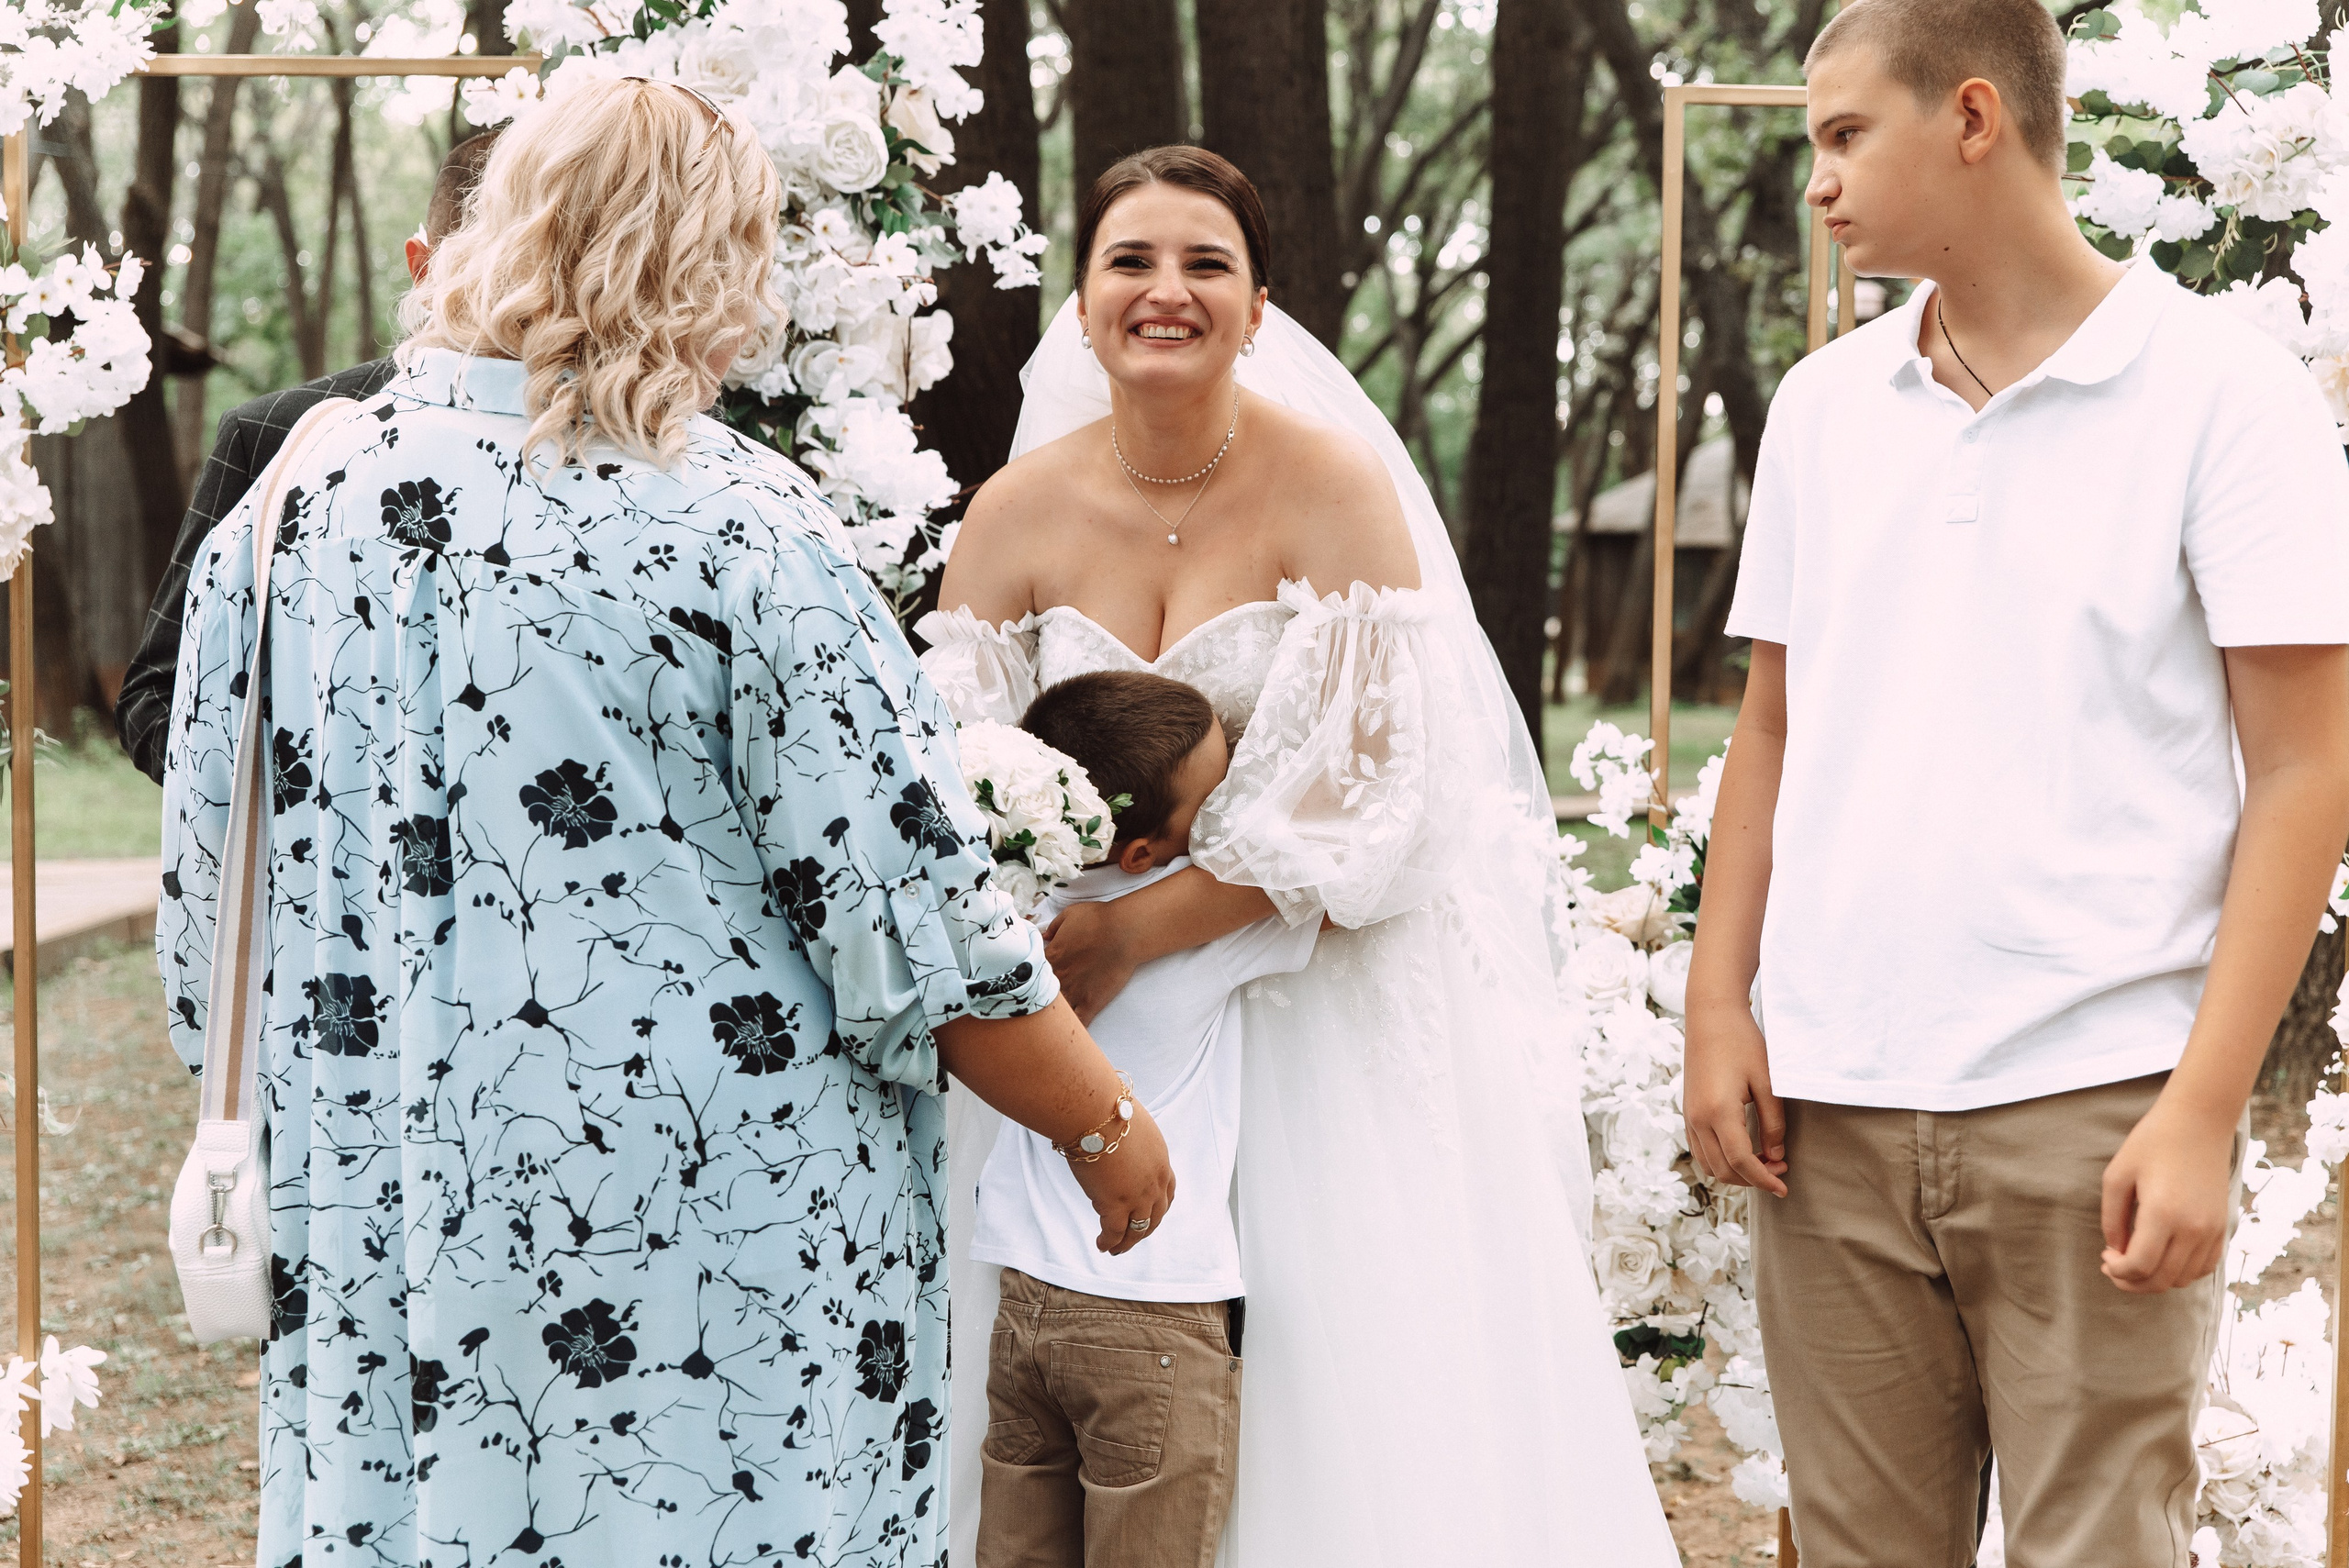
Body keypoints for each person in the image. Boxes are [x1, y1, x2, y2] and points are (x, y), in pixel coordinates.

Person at [155, 77, 1174, 1567]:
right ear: (708, 265)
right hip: (706, 1266)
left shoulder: (293, 510)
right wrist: (1104, 1123)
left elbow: (207, 926)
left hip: (393, 1228)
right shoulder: (742, 528)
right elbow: (915, 924)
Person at [918, 147, 1677, 1565]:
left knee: (1347, 1408)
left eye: (1206, 263)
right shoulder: (1012, 513)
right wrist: (1057, 937)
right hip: (1083, 1028)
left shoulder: (1329, 483)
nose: (1166, 290)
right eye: (1130, 260)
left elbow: (1389, 797)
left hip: (1312, 1009)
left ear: (1260, 307)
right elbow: (951, 787)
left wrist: (1139, 927)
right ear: (1081, 304)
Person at [1681, 2, 2349, 1562]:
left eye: (1846, 136)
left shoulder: (2226, 394)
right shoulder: (1822, 408)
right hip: (1829, 1104)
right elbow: (1771, 727)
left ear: (1973, 117)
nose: (1817, 180)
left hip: (2095, 1102)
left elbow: (2307, 766)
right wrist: (1719, 1002)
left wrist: (2200, 1108)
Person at [974, 671, 1317, 1568]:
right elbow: (1333, 880)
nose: (1229, 805)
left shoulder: (1010, 917)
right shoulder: (1186, 933)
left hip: (1025, 1307)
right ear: (1140, 854)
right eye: (1217, 798)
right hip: (1154, 1311)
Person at [116, 128, 503, 783]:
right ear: (422, 267)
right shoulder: (273, 434)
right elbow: (156, 698)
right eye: (491, 280)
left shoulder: (622, 451)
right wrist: (312, 800)